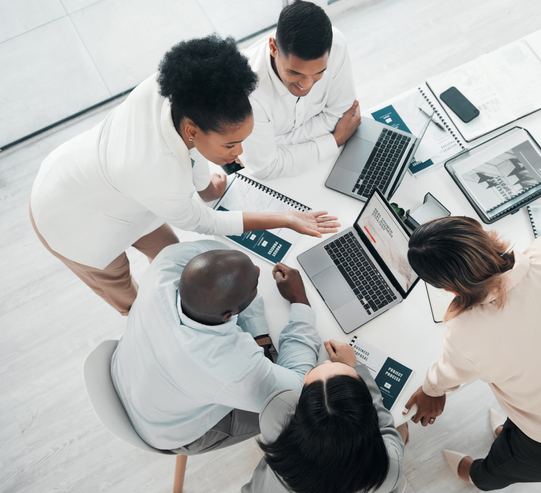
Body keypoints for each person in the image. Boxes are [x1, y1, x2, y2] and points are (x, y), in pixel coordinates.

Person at [30, 34, 339, 316]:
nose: (238, 154)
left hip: (107, 182)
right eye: (230, 144)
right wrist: (284, 218)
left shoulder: (179, 93)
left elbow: (190, 147)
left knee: (172, 257)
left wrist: (205, 186)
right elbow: (205, 222)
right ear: (193, 129)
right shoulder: (156, 173)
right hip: (70, 221)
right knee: (135, 302)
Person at [403, 217, 541, 490]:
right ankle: (510, 432)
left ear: (449, 288)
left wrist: (430, 391)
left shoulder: (466, 332)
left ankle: (474, 476)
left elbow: (447, 373)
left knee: (494, 471)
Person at [110, 240, 321, 454]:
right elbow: (298, 388)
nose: (258, 271)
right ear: (228, 315)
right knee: (301, 414)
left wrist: (261, 338)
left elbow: (223, 256)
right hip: (164, 430)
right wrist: (300, 301)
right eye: (255, 286)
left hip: (127, 372)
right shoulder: (225, 365)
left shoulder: (166, 262)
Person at [243, 340, 406, 493]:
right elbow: (388, 430)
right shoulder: (390, 471)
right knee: (403, 427)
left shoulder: (275, 415)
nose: (327, 362)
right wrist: (354, 367)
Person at [238, 0, 361, 179]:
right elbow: (265, 168)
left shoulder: (336, 45)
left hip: (315, 165)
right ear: (273, 48)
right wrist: (335, 140)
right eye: (294, 72)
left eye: (319, 73)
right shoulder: (246, 91)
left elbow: (343, 114)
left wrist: (273, 144)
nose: (306, 84)